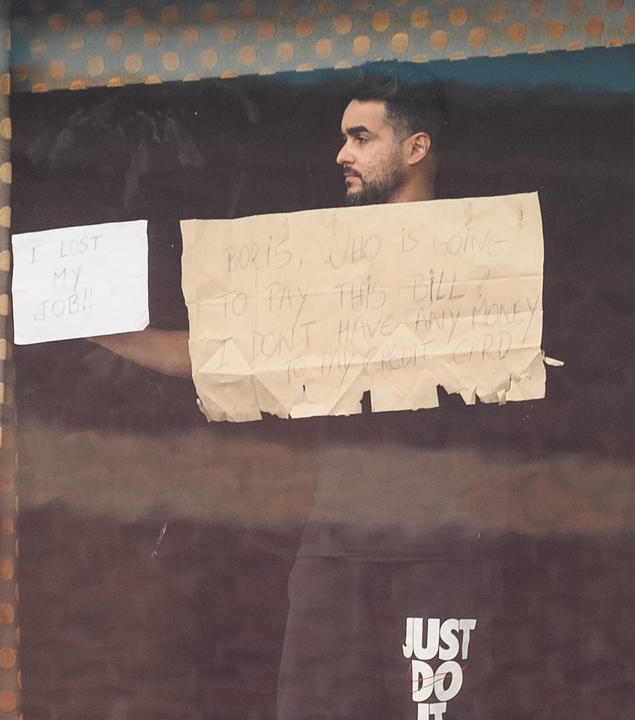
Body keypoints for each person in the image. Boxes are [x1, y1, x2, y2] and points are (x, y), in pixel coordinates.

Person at [93, 62, 503, 719]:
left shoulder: (486, 256)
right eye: (343, 136)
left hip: (442, 552)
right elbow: (220, 354)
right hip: (335, 549)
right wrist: (95, 326)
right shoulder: (324, 267)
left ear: (415, 147)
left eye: (361, 137)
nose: (342, 153)